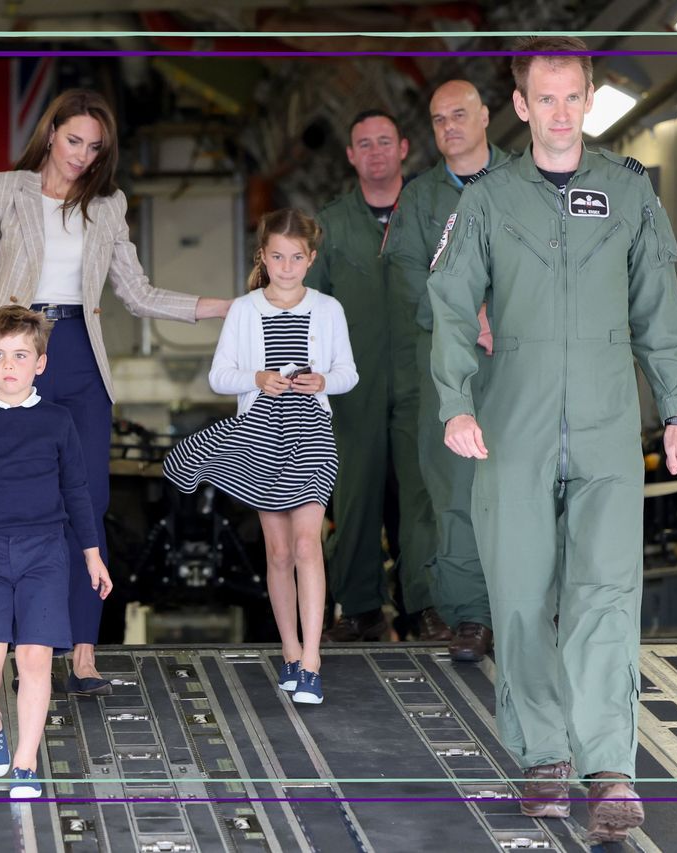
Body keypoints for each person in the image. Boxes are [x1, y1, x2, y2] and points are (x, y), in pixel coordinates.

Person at [427, 36, 677, 843]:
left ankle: (609, 764)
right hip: (513, 416)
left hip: (611, 418)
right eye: (542, 98)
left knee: (607, 591)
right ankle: (545, 753)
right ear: (519, 106)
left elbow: (658, 304)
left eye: (571, 96)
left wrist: (676, 410)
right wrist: (454, 401)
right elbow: (448, 302)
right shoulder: (488, 199)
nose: (558, 112)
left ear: (587, 98)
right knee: (517, 592)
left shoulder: (627, 191)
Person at [0, 89, 230, 694]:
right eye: (73, 140)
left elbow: (140, 294)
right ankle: (23, 647)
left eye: (94, 147)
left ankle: (81, 653)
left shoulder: (108, 205)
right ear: (51, 133)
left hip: (78, 353)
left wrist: (230, 308)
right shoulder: (5, 188)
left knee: (88, 503)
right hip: (15, 350)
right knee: (10, 501)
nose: (81, 155)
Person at [164, 209, 356, 704]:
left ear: (310, 259)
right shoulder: (245, 310)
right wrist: (257, 379)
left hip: (312, 431)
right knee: (279, 552)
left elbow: (348, 374)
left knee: (308, 545)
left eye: (296, 257)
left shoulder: (329, 309)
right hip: (260, 434)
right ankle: (290, 652)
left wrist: (323, 382)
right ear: (263, 257)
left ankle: (312, 660)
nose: (286, 266)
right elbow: (219, 376)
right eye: (277, 257)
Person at [0, 305, 112, 798]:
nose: (9, 365)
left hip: (46, 551)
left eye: (21, 355)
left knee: (34, 659)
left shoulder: (58, 422)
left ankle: (26, 764)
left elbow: (77, 490)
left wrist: (93, 555)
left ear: (40, 364)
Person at [382, 81, 509, 662]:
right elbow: (407, 276)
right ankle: (470, 618)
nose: (450, 126)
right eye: (438, 119)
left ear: (488, 116)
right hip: (449, 364)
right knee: (454, 494)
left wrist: (499, 315)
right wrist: (468, 319)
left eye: (460, 114)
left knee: (529, 490)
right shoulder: (418, 199)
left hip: (520, 363)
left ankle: (530, 609)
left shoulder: (528, 180)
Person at [305, 110, 444, 643]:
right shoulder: (330, 224)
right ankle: (361, 607)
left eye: (385, 141)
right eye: (364, 143)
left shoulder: (434, 216)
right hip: (352, 388)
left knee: (422, 498)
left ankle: (424, 605)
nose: (376, 152)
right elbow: (307, 308)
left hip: (421, 380)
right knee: (355, 496)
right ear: (351, 155)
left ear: (404, 147)